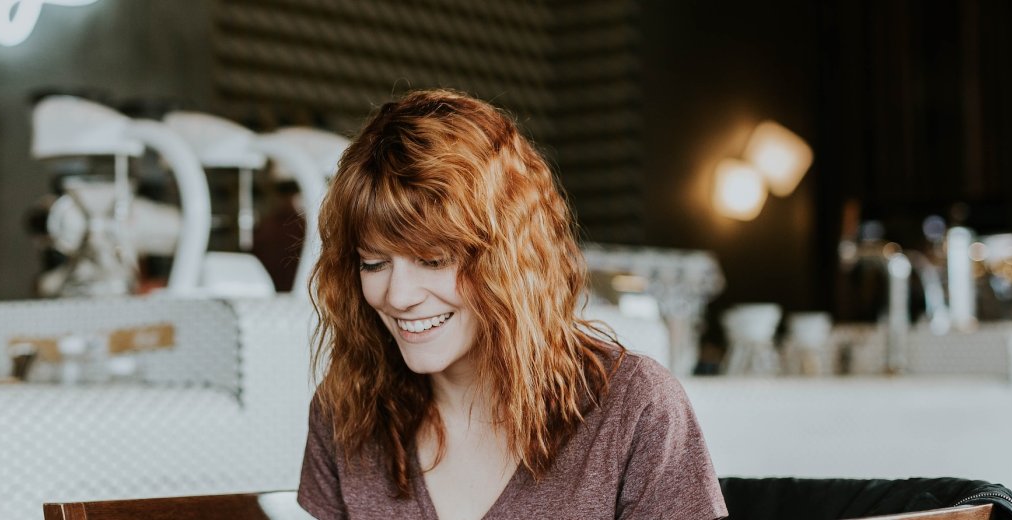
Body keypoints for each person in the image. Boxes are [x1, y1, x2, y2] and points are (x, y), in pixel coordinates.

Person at [297, 89, 727, 519]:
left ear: (508, 259)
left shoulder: (635, 409)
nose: (398, 296)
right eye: (373, 263)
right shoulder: (345, 413)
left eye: (433, 260)